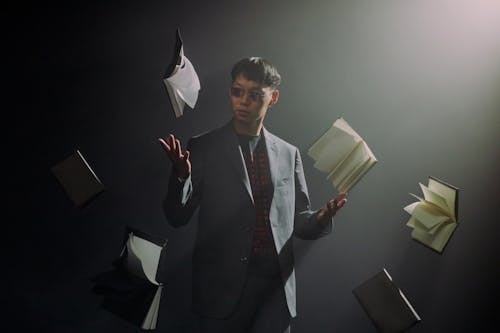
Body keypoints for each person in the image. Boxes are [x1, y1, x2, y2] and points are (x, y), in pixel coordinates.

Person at [159, 57, 347, 333]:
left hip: (275, 293)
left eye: (255, 94)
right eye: (237, 91)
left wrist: (321, 217)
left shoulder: (288, 153)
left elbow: (298, 222)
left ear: (273, 97)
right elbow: (177, 217)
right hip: (221, 293)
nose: (243, 101)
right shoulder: (203, 147)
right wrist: (180, 176)